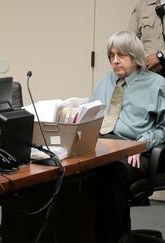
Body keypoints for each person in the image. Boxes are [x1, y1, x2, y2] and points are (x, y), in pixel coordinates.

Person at [91, 31, 165, 243]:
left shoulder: (157, 84)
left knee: (106, 171)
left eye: (121, 55)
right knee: (74, 171)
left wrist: (142, 144)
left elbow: (164, 127)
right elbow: (91, 115)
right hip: (103, 145)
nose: (115, 61)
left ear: (135, 56)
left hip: (136, 149)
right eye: (112, 55)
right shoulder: (106, 81)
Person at [129, 0, 165, 75]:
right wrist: (145, 60)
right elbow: (131, 41)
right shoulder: (141, 6)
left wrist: (160, 56)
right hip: (148, 71)